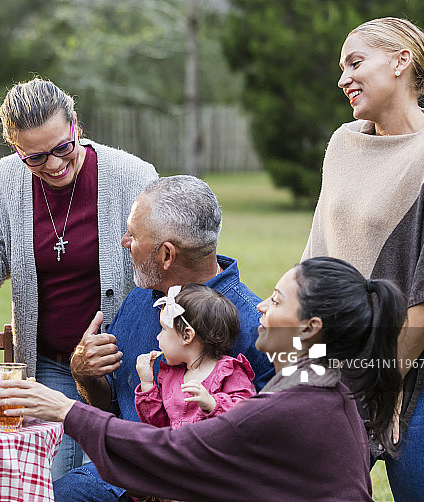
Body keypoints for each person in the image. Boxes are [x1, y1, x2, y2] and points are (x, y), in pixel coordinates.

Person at [0, 257, 405, 501]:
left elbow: (175, 451)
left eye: (278, 301)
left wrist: (66, 410)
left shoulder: (296, 404)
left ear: (310, 328)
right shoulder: (325, 388)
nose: (261, 306)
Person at [302, 17, 424, 500]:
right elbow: (316, 255)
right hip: (337, 363)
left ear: (401, 62)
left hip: (419, 374)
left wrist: (379, 379)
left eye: (355, 63)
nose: (343, 78)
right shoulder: (343, 144)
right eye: (341, 68)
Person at [0, 77, 158, 479]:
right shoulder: (7, 179)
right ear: (16, 149)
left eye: (62, 148)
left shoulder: (132, 175)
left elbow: (163, 266)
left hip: (124, 364)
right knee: (52, 482)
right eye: (35, 157)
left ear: (75, 124)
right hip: (50, 365)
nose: (53, 164)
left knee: (112, 480)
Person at [60, 175, 275, 501]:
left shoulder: (258, 327)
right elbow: (111, 406)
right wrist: (85, 372)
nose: (124, 242)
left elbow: (274, 447)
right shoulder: (141, 298)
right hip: (124, 474)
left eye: (133, 235)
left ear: (166, 255)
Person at [135, 284, 255, 428]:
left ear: (187, 335)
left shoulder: (228, 371)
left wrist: (212, 404)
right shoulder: (171, 376)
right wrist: (147, 384)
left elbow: (246, 416)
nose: (158, 337)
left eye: (164, 329)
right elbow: (159, 426)